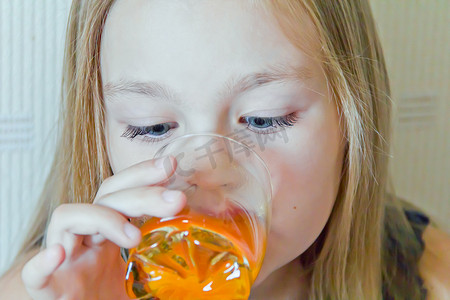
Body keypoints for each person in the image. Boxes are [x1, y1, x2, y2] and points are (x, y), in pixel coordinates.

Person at [0, 0, 449, 299]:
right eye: (152, 126)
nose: (205, 174)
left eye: (264, 119)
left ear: (352, 116)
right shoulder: (46, 289)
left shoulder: (428, 277)